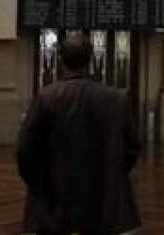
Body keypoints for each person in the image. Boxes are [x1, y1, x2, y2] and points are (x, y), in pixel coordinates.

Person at [17, 34, 141, 235]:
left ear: (61, 59)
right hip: (105, 203)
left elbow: (25, 150)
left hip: (55, 202)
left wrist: (40, 184)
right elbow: (132, 149)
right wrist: (110, 174)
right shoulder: (117, 99)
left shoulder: (46, 97)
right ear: (91, 59)